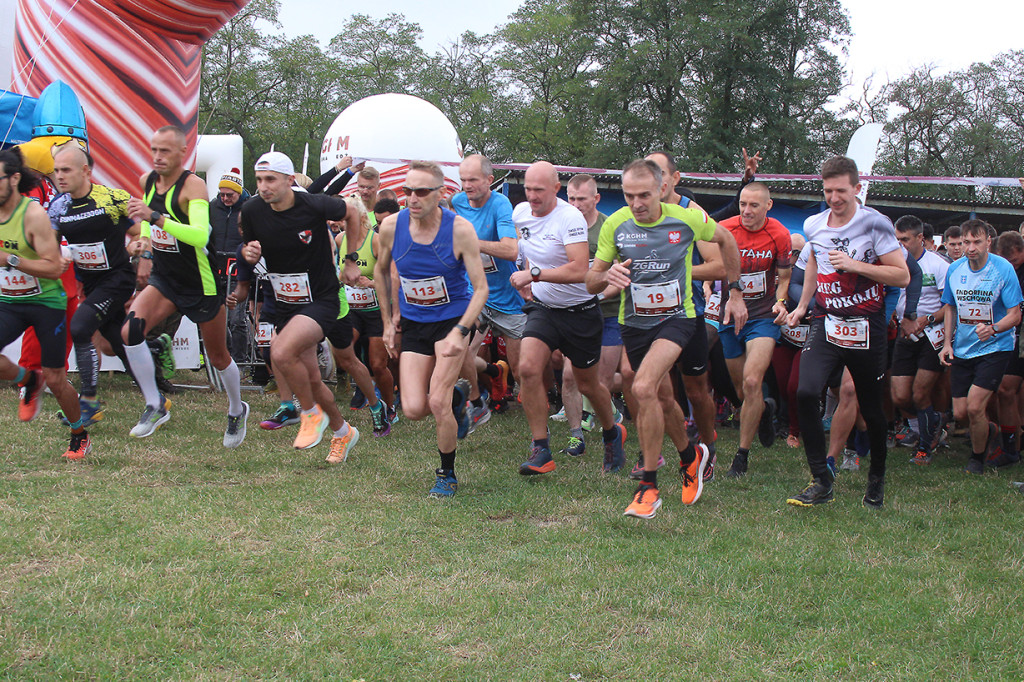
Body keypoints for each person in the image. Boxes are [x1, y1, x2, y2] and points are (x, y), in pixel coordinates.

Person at [588, 159, 746, 519]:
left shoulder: (685, 217)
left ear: (661, 188)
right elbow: (591, 281)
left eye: (644, 194)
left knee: (642, 387)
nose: (637, 203)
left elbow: (726, 240)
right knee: (659, 395)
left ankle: (648, 486)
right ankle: (691, 456)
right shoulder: (616, 224)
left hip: (678, 318)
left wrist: (734, 291)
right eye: (629, 195)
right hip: (635, 322)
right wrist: (606, 274)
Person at [784, 156, 910, 508]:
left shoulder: (875, 224)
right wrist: (802, 305)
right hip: (826, 320)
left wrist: (856, 266)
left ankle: (877, 478)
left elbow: (902, 276)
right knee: (806, 392)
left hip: (866, 326)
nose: (834, 198)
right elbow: (813, 261)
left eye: (841, 191)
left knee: (871, 409)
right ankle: (821, 480)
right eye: (828, 191)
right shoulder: (814, 224)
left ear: (857, 188)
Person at [122, 125, 248, 447]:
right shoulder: (146, 182)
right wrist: (146, 247)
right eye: (154, 150)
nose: (158, 157)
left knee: (219, 357)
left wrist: (156, 217)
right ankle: (155, 404)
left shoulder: (193, 186)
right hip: (167, 278)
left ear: (182, 153)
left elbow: (199, 235)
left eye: (165, 151)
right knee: (130, 331)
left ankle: (237, 408)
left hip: (201, 282)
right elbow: (146, 227)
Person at [371, 161, 489, 497]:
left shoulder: (460, 230)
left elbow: (481, 289)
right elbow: (381, 272)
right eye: (408, 191)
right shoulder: (392, 227)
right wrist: (388, 322)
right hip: (414, 321)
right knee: (412, 409)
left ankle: (446, 474)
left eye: (421, 191)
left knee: (436, 402)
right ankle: (458, 398)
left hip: (452, 319)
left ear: (441, 194)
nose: (412, 197)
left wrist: (460, 331)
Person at [241, 151, 363, 460]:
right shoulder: (253, 210)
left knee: (280, 351)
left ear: (289, 181)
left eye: (271, 179)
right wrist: (249, 255)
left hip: (321, 298)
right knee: (310, 379)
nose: (264, 186)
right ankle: (342, 432)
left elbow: (352, 213)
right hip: (285, 302)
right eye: (259, 180)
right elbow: (250, 247)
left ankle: (309, 414)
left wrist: (350, 261)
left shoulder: (313, 204)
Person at [511, 161, 628, 476]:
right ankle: (541, 449)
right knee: (527, 368)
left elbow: (580, 270)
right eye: (528, 189)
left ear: (555, 189)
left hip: (581, 313)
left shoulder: (570, 218)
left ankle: (611, 431)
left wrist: (533, 274)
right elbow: (524, 249)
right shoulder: (520, 213)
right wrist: (524, 276)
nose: (532, 196)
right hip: (545, 309)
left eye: (539, 190)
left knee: (589, 384)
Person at [0, 147, 91, 459]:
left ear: (13, 179)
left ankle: (79, 433)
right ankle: (28, 379)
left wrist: (10, 259)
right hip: (9, 301)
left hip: (46, 303)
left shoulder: (33, 214)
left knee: (57, 377)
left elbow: (54, 267)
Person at [50, 145, 141, 423]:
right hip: (91, 284)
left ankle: (88, 402)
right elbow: (50, 249)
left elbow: (141, 229)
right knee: (117, 340)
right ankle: (156, 392)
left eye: (66, 170)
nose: (59, 176)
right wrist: (57, 260)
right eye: (56, 171)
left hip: (118, 279)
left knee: (80, 327)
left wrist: (140, 248)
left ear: (85, 171)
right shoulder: (58, 206)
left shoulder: (110, 198)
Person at [716, 182, 792, 476]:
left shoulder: (780, 234)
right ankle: (764, 407)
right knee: (741, 391)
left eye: (754, 206)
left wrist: (781, 302)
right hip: (730, 315)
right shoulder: (725, 228)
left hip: (762, 317)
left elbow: (784, 278)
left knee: (751, 381)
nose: (746, 211)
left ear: (768, 206)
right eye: (743, 204)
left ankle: (741, 455)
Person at [939, 220, 1022, 474]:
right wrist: (946, 343)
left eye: (977, 241)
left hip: (996, 347)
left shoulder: (1002, 269)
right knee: (962, 413)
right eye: (966, 242)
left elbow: (1015, 315)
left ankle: (976, 459)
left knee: (975, 406)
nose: (971, 247)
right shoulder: (954, 269)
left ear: (989, 242)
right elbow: (950, 306)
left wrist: (994, 328)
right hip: (963, 348)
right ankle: (989, 429)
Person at [451, 154, 523, 432]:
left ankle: (534, 420)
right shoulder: (457, 202)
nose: (466, 186)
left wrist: (473, 243)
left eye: (473, 180)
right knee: (456, 350)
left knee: (521, 371)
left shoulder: (500, 204)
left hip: (507, 298)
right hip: (475, 293)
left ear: (489, 180)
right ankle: (478, 401)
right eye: (463, 180)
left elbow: (510, 250)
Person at [561, 173, 622, 457]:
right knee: (570, 376)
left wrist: (594, 295)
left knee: (602, 379)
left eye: (581, 199)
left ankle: (612, 426)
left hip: (609, 312)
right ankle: (577, 435)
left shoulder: (610, 227)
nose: (575, 204)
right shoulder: (562, 224)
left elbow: (621, 276)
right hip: (574, 312)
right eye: (570, 198)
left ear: (595, 199)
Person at [889, 215, 949, 465]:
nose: (900, 244)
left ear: (920, 238)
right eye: (897, 239)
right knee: (900, 396)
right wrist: (895, 316)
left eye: (905, 239)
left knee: (920, 392)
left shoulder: (939, 265)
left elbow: (950, 305)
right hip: (905, 332)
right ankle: (929, 426)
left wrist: (926, 320)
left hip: (932, 335)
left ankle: (925, 446)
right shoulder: (892, 263)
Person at [335, 194, 397, 431]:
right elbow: (337, 272)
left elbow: (392, 277)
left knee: (378, 364)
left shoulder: (376, 241)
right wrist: (344, 278)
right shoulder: (340, 240)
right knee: (343, 353)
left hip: (376, 310)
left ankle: (388, 408)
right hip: (351, 309)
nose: (343, 224)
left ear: (360, 218)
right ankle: (367, 394)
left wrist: (371, 283)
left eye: (347, 219)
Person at [209, 167, 250, 363]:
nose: (225, 198)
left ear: (239, 192)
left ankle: (240, 360)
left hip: (238, 271)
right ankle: (225, 358)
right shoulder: (212, 207)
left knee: (236, 319)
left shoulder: (248, 208)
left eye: (230, 195)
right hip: (215, 270)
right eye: (222, 194)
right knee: (217, 318)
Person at [991, 231, 1024, 467]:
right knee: (1004, 389)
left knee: (1009, 390)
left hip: (1017, 334)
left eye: (1013, 260)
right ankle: (1011, 446)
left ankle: (1013, 445)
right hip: (1011, 335)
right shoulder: (1004, 270)